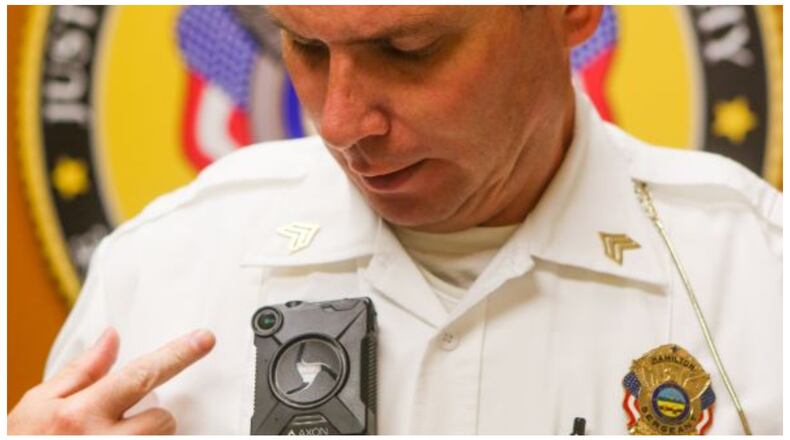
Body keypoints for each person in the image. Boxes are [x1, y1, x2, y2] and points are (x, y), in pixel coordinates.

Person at [9, 6, 781, 434]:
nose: (342, 121)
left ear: (572, 12)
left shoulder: (753, 274)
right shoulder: (162, 266)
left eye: (411, 49)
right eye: (305, 48)